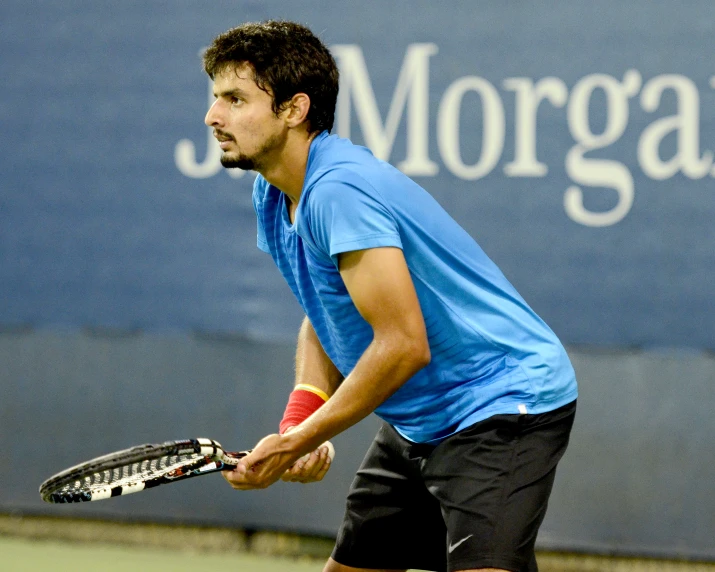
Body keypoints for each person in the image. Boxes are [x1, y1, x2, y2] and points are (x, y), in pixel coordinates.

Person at [202, 20, 578, 572]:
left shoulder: (338, 193)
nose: (214, 117)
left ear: (294, 109)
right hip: (420, 421)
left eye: (235, 99)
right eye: (216, 99)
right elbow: (325, 312)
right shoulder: (273, 191)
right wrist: (299, 421)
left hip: (501, 401)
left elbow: (403, 345)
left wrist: (296, 441)